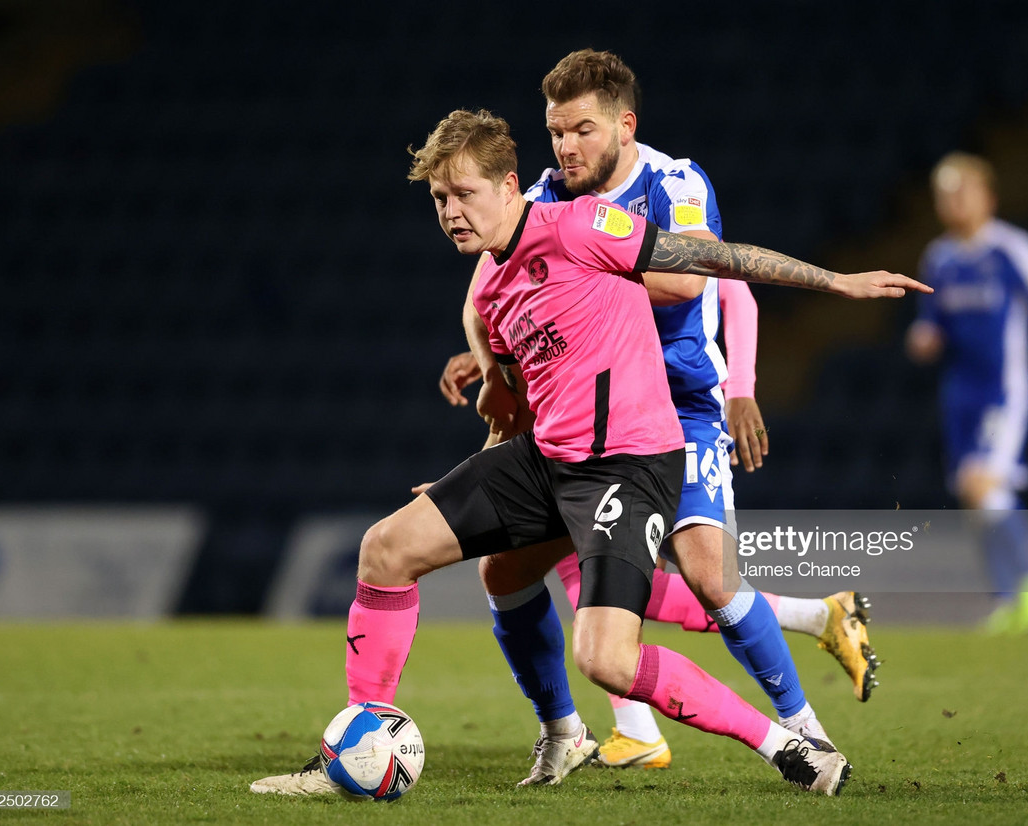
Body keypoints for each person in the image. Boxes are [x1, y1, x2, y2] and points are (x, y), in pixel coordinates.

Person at [251, 108, 928, 797]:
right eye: (439, 201)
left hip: (630, 465)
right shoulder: (491, 285)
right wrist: (474, 471)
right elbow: (518, 403)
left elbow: (708, 257)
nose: (451, 213)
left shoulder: (578, 227)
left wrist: (837, 281)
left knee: (606, 656)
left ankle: (789, 746)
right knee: (392, 551)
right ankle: (397, 740)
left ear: (510, 185)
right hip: (551, 459)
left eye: (464, 195)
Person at [435, 50, 878, 776]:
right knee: (529, 572)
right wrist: (496, 359)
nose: (566, 148)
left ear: (623, 125)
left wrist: (742, 382)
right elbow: (485, 288)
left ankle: (805, 727)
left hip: (678, 409)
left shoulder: (674, 183)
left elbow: (711, 269)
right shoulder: (546, 196)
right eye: (555, 132)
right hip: (587, 417)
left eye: (581, 129)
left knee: (708, 573)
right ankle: (614, 728)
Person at [905, 151, 1028, 634]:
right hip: (959, 397)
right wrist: (924, 338)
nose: (953, 201)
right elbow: (932, 325)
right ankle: (1008, 599)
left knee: (982, 483)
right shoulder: (939, 257)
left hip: (1003, 392)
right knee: (974, 499)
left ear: (988, 196)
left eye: (962, 190)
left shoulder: (1014, 249)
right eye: (945, 194)